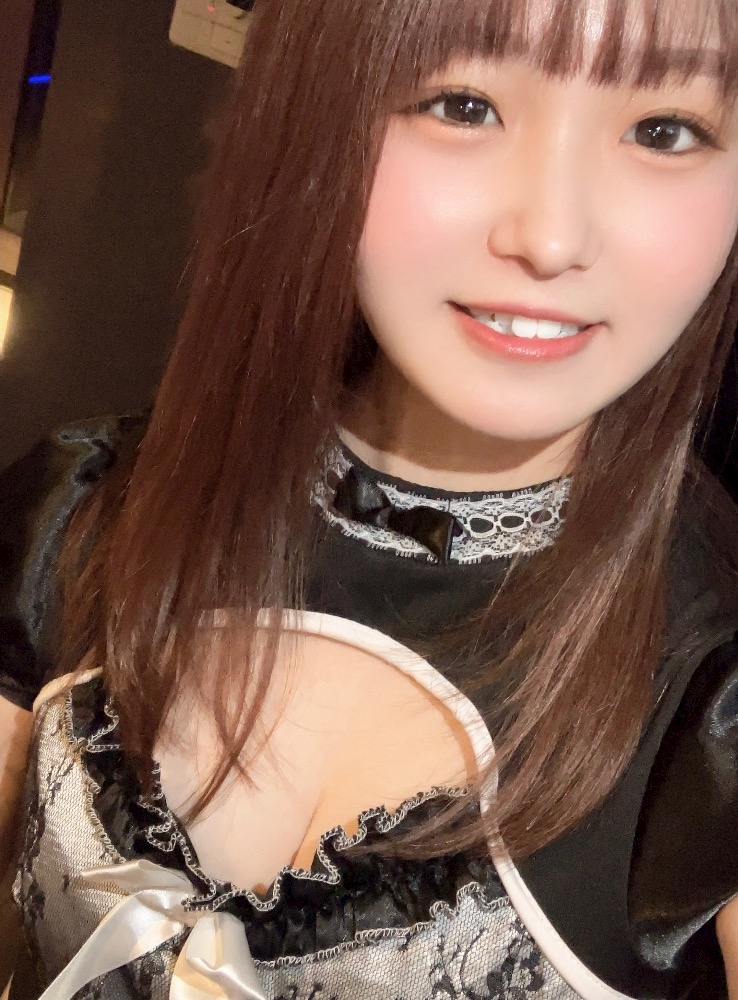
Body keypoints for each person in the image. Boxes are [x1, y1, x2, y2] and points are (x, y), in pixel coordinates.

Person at [1, 0, 738, 996]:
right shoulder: (76, 508)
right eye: (462, 104)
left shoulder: (713, 701)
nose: (552, 238)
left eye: (664, 129)